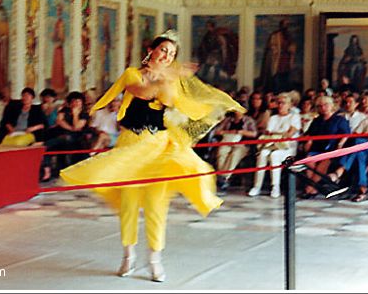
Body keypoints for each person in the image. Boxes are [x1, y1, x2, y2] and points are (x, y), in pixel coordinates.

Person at [60, 30, 244, 282]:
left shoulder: (171, 81)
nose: (167, 56)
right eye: (163, 50)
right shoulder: (132, 74)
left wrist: (176, 82)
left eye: (172, 54)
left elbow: (170, 101)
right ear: (152, 50)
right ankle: (128, 256)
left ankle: (155, 260)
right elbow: (141, 91)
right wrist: (166, 77)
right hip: (130, 144)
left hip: (158, 146)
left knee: (157, 205)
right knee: (129, 204)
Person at [248, 93, 301, 198]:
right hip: (271, 145)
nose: (280, 105)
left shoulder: (294, 117)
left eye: (283, 103)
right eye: (279, 103)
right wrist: (279, 135)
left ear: (290, 105)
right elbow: (268, 133)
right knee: (262, 154)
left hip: (287, 147)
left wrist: (276, 135)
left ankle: (275, 187)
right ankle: (257, 186)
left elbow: (289, 134)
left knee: (274, 155)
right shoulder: (273, 118)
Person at [214, 110, 257, 191]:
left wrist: (240, 132)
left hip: (242, 144)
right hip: (227, 142)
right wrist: (229, 132)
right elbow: (217, 131)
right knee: (221, 152)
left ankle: (224, 177)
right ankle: (223, 177)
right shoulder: (228, 120)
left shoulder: (248, 120)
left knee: (234, 154)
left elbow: (254, 133)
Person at [258, 18, 296, 93]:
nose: (285, 27)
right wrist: (276, 50)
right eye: (284, 25)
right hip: (277, 60)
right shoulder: (275, 35)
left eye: (286, 25)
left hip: (286, 60)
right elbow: (271, 46)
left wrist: (290, 49)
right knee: (276, 78)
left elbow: (293, 46)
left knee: (285, 78)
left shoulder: (289, 36)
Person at [51, 3, 66, 94]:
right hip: (56, 46)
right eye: (57, 10)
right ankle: (56, 85)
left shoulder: (61, 23)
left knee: (59, 66)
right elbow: (54, 36)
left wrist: (57, 40)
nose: (58, 12)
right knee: (56, 65)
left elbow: (61, 36)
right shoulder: (57, 22)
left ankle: (59, 85)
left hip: (59, 47)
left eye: (59, 10)